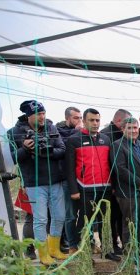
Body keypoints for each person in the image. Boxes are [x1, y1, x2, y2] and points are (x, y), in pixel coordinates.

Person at [7, 99, 68, 265]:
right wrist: (25, 149)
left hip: (56, 180)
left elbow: (62, 149)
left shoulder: (51, 127)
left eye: (43, 113)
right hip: (34, 183)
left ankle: (54, 248)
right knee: (40, 219)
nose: (42, 117)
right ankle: (43, 253)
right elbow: (12, 158)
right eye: (38, 114)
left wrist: (46, 152)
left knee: (59, 216)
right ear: (28, 116)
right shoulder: (14, 132)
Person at [65, 107, 120, 261]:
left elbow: (111, 165)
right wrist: (74, 190)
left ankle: (107, 249)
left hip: (105, 188)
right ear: (84, 121)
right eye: (91, 120)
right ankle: (82, 248)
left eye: (97, 120)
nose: (95, 123)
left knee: (105, 220)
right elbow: (69, 168)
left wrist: (113, 186)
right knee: (84, 220)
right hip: (84, 188)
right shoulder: (74, 140)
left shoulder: (106, 139)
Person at [111, 117, 140, 257]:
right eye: (129, 128)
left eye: (135, 128)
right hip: (128, 192)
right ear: (123, 129)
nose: (133, 131)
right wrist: (139, 183)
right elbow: (120, 169)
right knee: (130, 221)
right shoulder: (118, 145)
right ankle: (130, 248)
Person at [101, 108, 132, 255]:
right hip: (111, 183)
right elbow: (109, 163)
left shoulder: (119, 133)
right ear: (119, 121)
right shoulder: (107, 135)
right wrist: (113, 184)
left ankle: (121, 243)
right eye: (126, 122)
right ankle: (111, 244)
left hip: (121, 183)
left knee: (120, 215)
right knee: (111, 216)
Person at [56, 106, 83, 253]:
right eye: (75, 118)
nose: (79, 121)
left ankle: (86, 242)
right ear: (67, 118)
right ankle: (71, 244)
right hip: (66, 179)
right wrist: (77, 132)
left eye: (80, 118)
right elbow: (64, 147)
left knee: (85, 213)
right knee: (70, 214)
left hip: (83, 179)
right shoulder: (57, 131)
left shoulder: (82, 132)